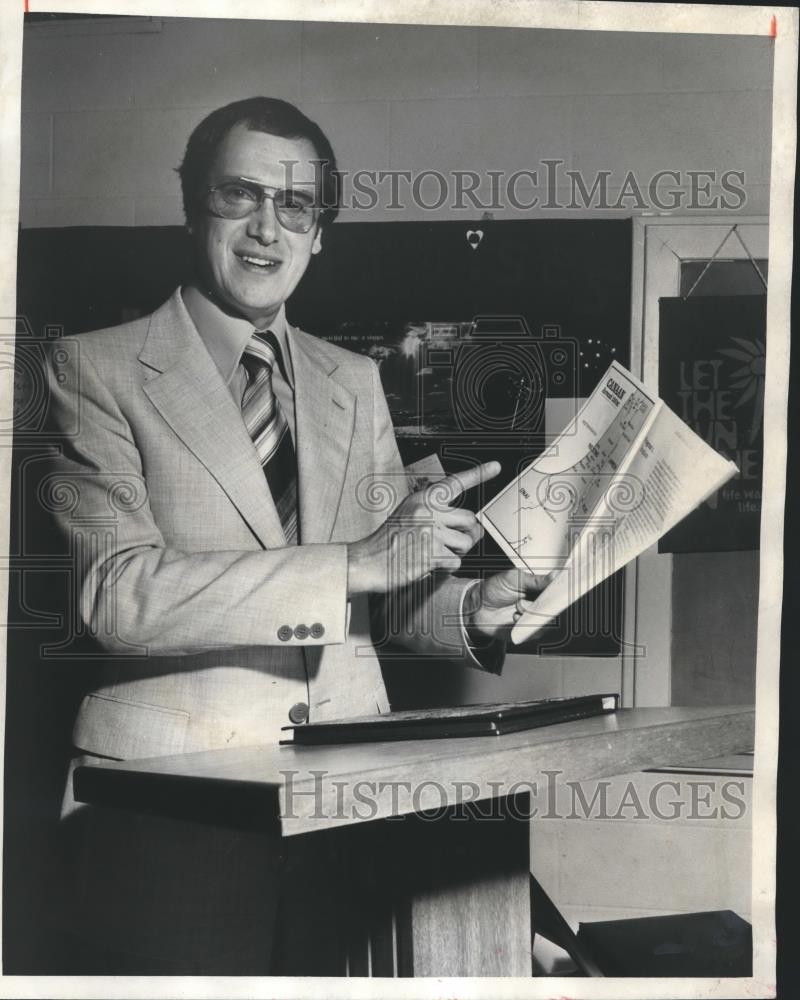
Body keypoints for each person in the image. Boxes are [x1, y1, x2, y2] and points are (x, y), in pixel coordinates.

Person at [44, 96, 545, 974]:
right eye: (240, 196)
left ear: (321, 232)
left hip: (348, 809)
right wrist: (357, 562)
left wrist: (469, 609)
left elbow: (373, 598)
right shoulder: (92, 368)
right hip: (170, 816)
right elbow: (115, 595)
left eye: (297, 207)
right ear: (193, 204)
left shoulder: (350, 381)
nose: (265, 231)